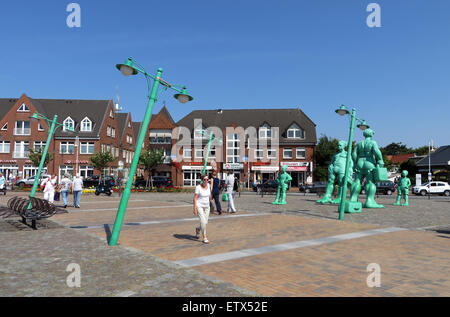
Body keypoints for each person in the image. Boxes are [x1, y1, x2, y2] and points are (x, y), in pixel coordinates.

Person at [194, 174, 212, 244]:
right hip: (199, 206)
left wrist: (211, 201)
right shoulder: (198, 187)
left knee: (205, 222)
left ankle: (198, 229)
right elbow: (195, 198)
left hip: (207, 207)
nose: (206, 181)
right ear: (202, 180)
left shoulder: (209, 186)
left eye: (207, 179)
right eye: (204, 179)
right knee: (203, 222)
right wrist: (194, 208)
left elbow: (209, 195)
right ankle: (204, 237)